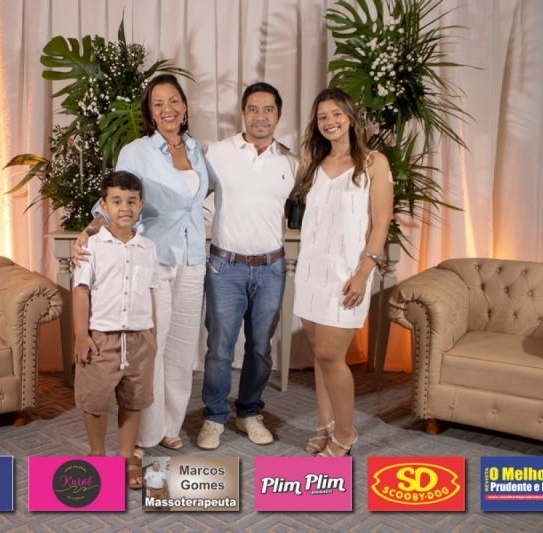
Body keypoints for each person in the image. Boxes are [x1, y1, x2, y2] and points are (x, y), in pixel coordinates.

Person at [73, 74, 209, 456]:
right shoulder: (137, 151)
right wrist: (89, 230)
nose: (167, 109)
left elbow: (201, 196)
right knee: (153, 347)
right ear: (150, 112)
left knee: (182, 351)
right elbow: (114, 198)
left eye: (174, 101)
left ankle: (169, 427)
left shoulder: (196, 149)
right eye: (158, 103)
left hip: (192, 258)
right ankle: (144, 436)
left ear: (184, 105)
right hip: (154, 257)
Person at [197, 83, 296, 450]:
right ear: (243, 113)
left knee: (260, 348)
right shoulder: (218, 153)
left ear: (278, 115)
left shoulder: (291, 162)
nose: (260, 116)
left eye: (268, 109)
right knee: (219, 348)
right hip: (226, 267)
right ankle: (214, 416)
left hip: (271, 269)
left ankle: (249, 411)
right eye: (253, 108)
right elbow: (190, 192)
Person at [294, 87, 393, 457]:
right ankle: (325, 423)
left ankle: (346, 433)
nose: (330, 121)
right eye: (322, 116)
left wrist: (364, 272)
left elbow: (381, 223)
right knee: (320, 355)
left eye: (337, 113)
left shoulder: (373, 163)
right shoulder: (313, 165)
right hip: (311, 272)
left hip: (348, 273)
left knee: (330, 354)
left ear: (351, 117)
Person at [72, 170, 160, 490]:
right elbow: (81, 291)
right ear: (104, 205)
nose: (125, 207)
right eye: (117, 201)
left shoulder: (148, 247)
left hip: (140, 338)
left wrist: (153, 332)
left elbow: (150, 291)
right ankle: (97, 453)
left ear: (141, 205)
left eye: (132, 201)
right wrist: (81, 335)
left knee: (133, 399)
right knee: (95, 399)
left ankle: (127, 456)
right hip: (101, 338)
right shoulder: (91, 246)